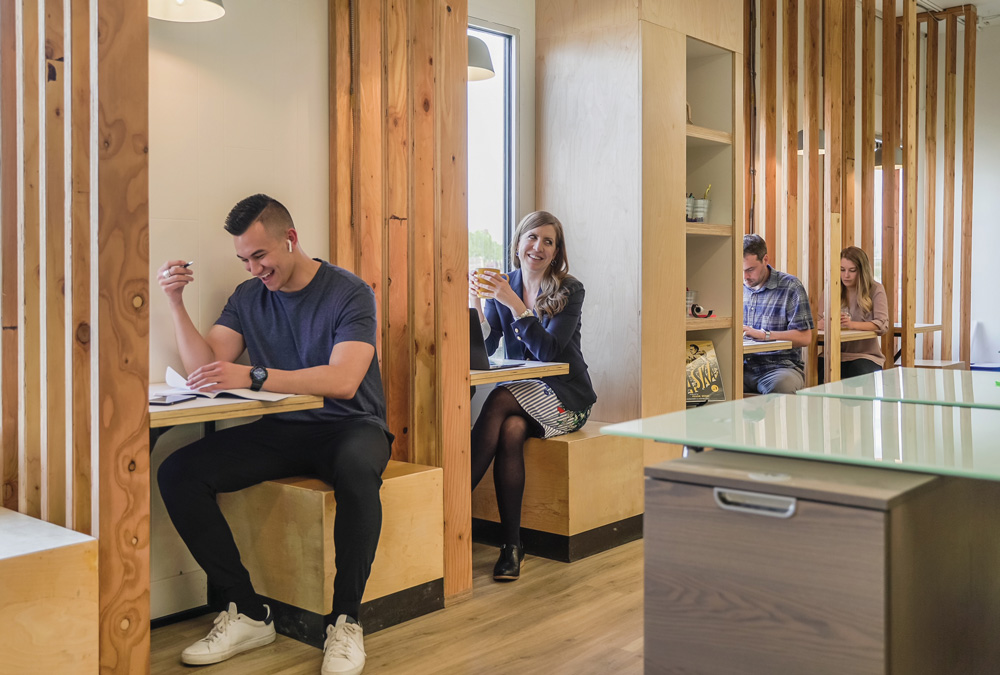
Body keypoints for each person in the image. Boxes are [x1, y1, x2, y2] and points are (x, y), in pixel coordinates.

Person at [156, 194, 391, 675]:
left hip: (352, 425)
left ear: (291, 239)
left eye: (259, 256)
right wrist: (175, 303)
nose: (253, 269)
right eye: (243, 260)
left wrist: (255, 375)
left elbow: (343, 381)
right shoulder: (248, 297)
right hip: (284, 427)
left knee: (356, 472)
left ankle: (345, 622)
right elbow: (206, 371)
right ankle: (248, 611)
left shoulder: (349, 292)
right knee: (179, 471)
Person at [469, 211, 597, 581]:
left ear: (557, 252)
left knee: (499, 400)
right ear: (518, 242)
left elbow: (550, 352)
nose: (537, 247)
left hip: (567, 396)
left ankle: (454, 504)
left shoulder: (569, 290)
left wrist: (514, 303)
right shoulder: (504, 284)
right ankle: (512, 546)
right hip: (524, 396)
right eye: (532, 237)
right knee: (509, 429)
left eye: (548, 241)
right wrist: (478, 302)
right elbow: (489, 346)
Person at [742, 234, 814, 394]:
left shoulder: (791, 287)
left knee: (781, 386)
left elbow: (805, 338)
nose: (745, 277)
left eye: (750, 270)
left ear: (765, 259)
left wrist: (765, 335)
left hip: (779, 367)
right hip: (742, 367)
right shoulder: (735, 286)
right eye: (741, 271)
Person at [817, 246, 889, 379]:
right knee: (815, 370)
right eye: (842, 270)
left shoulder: (875, 289)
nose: (846, 275)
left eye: (852, 270)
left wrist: (851, 325)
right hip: (834, 354)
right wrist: (820, 325)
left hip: (866, 356)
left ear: (862, 271)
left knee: (856, 372)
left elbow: (882, 325)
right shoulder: (832, 289)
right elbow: (817, 321)